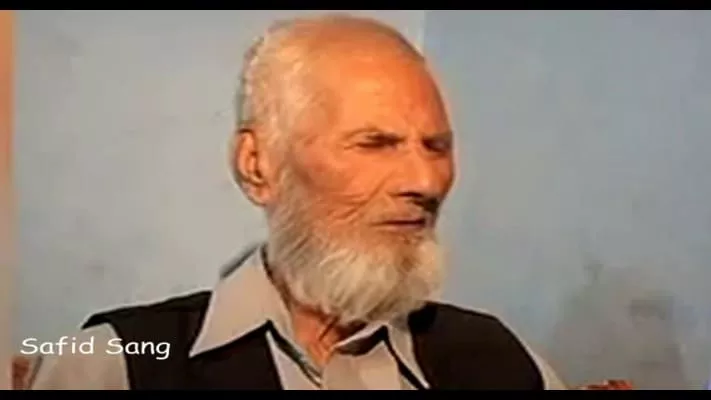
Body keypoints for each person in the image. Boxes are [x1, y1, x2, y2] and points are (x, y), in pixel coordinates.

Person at [27, 14, 567, 390]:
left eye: (437, 147)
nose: (425, 181)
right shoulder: (112, 363)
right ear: (257, 164)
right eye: (375, 143)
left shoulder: (504, 362)